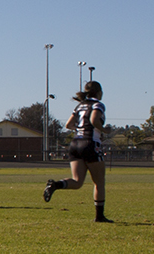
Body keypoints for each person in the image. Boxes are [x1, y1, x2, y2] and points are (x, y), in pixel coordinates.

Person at [44, 80, 109, 222]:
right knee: (99, 182)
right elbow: (94, 120)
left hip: (75, 144)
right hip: (90, 144)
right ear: (99, 92)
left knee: (77, 181)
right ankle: (99, 217)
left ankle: (56, 184)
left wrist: (81, 130)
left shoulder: (80, 106)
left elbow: (68, 124)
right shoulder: (98, 104)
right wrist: (104, 130)